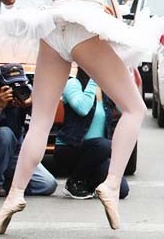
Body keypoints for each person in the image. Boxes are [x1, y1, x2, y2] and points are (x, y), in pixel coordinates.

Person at [0, 0, 162, 233]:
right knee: (134, 108)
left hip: (53, 28)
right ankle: (111, 184)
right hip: (86, 28)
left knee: (39, 120)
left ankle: (15, 195)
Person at [0, 63, 58, 197]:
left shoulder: (26, 99)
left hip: (15, 152)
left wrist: (32, 107)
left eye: (20, 85)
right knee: (5, 133)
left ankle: (10, 184)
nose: (17, 90)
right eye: (11, 86)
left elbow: (39, 131)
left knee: (48, 184)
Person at [53, 70, 130, 200]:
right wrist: (93, 80)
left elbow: (127, 109)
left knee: (121, 190)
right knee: (104, 145)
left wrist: (119, 84)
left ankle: (88, 181)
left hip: (96, 154)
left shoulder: (106, 90)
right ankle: (75, 181)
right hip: (69, 149)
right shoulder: (73, 84)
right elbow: (83, 108)